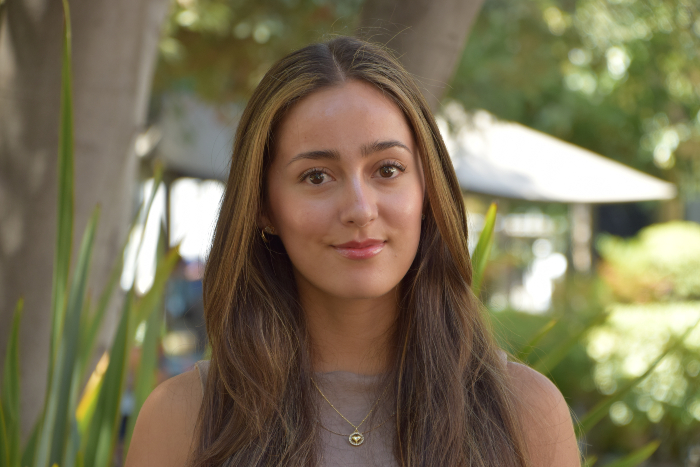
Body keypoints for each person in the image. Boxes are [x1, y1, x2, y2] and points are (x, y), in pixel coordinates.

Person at [125, 36, 580, 467]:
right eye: (317, 176)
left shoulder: (526, 412)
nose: (360, 209)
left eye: (388, 169)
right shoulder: (183, 419)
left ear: (427, 188)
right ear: (263, 206)